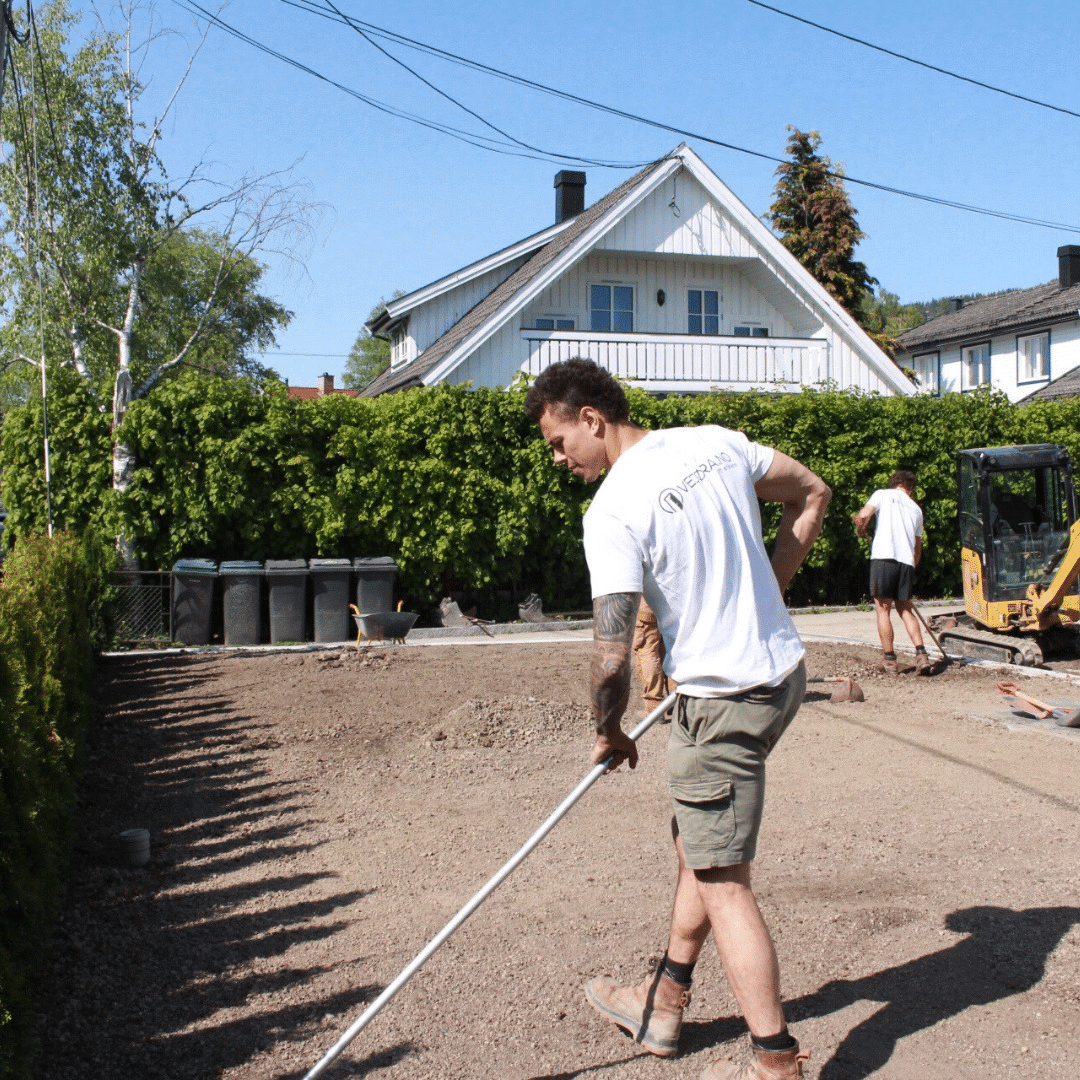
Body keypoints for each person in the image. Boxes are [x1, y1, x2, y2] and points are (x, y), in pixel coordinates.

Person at [524, 359, 831, 1080]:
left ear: (592, 419)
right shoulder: (713, 442)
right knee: (699, 839)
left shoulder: (611, 512)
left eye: (559, 441)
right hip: (781, 676)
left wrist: (608, 729)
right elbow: (812, 491)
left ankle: (775, 1060)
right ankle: (662, 1002)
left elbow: (608, 656)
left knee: (723, 878)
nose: (560, 459)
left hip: (725, 699)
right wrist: (768, 596)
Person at [853, 471, 930, 675]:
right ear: (911, 489)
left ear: (894, 483)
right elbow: (918, 546)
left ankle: (890, 661)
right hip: (905, 562)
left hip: (884, 557)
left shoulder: (882, 494)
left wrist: (861, 530)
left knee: (883, 609)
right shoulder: (916, 509)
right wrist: (912, 565)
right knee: (905, 609)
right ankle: (922, 655)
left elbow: (863, 516)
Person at [634, 597, 673, 719]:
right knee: (669, 649)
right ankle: (676, 701)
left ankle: (654, 706)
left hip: (647, 600)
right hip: (671, 602)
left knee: (647, 650)